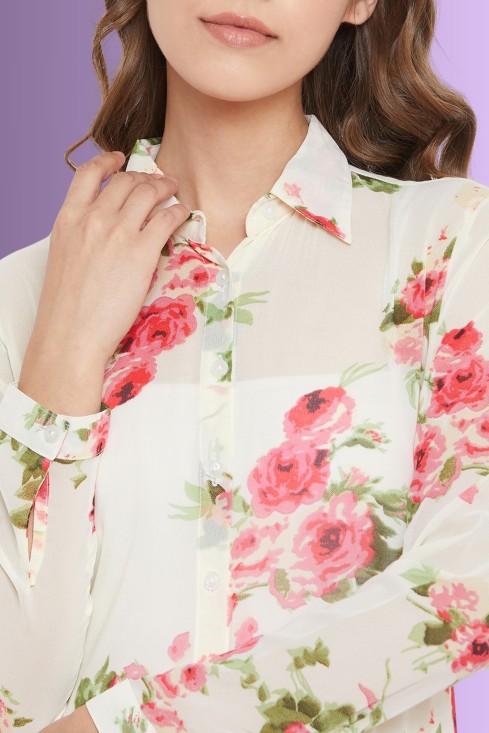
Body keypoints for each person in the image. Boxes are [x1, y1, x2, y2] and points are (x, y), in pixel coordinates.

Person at [1, 0, 488, 731]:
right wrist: (63, 353)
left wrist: (133, 724)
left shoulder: (449, 244)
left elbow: (466, 590)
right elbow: (17, 690)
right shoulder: (22, 295)